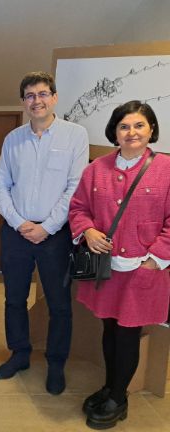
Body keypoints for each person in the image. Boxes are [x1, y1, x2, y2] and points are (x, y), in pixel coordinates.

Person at [69, 100, 170, 429]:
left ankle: (118, 398)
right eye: (125, 126)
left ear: (151, 129)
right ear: (115, 131)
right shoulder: (96, 168)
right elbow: (79, 208)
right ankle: (111, 387)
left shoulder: (166, 169)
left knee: (127, 335)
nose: (132, 132)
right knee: (109, 330)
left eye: (139, 125)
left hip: (142, 270)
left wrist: (155, 260)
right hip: (105, 269)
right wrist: (88, 230)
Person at [0, 72, 89, 395]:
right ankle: (19, 353)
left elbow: (75, 189)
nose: (37, 100)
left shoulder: (75, 136)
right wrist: (20, 223)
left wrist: (46, 227)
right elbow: (0, 186)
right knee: (14, 298)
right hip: (16, 232)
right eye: (31, 95)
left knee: (59, 303)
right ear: (23, 102)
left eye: (43, 93)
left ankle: (56, 364)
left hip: (56, 235)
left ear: (55, 97)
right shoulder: (13, 139)